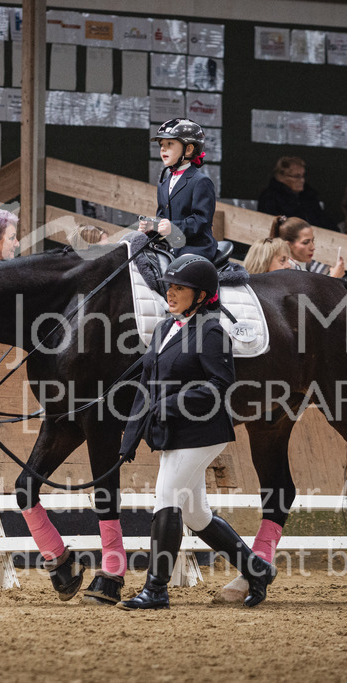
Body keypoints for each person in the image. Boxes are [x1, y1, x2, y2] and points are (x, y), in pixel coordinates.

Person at [116, 255, 276, 610]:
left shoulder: (212, 330)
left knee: (166, 495)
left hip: (204, 429)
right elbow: (146, 385)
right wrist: (129, 437)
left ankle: (156, 589)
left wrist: (171, 403)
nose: (171, 293)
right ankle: (257, 569)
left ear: (201, 295)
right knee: (195, 515)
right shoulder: (162, 329)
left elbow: (221, 384)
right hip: (174, 430)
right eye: (169, 287)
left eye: (180, 288)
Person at [138, 118, 217, 261]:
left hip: (195, 248)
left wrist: (173, 227)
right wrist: (151, 227)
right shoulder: (164, 182)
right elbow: (163, 218)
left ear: (189, 149)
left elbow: (201, 220)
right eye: (161, 144)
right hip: (170, 247)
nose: (162, 148)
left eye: (169, 144)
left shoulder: (201, 181)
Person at [257, 156, 328, 229]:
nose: (302, 180)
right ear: (281, 177)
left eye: (303, 176)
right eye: (297, 176)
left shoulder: (309, 197)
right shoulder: (269, 197)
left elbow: (325, 222)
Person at [270, 216, 345, 277]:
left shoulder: (303, 267)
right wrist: (334, 278)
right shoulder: (284, 270)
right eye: (305, 242)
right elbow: (309, 295)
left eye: (312, 241)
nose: (313, 247)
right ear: (288, 245)